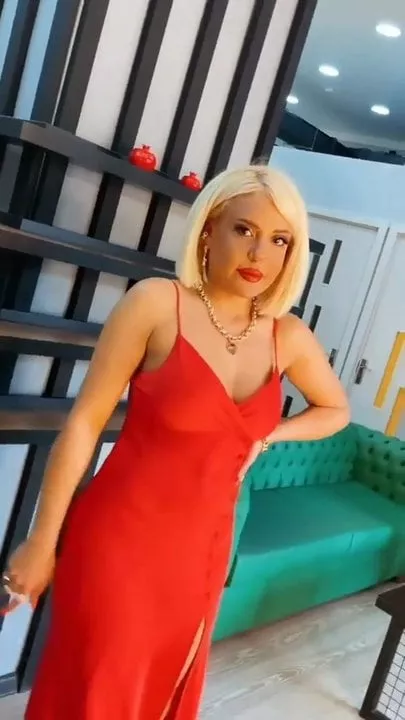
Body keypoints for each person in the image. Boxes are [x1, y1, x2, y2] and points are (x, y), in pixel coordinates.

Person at [4, 165, 350, 719]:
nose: (258, 253)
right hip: (119, 541)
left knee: (160, 691)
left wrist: (271, 433)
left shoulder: (288, 337)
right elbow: (85, 423)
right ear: (209, 229)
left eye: (279, 239)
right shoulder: (156, 304)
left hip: (201, 555)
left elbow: (335, 410)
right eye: (244, 229)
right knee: (98, 691)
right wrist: (41, 542)